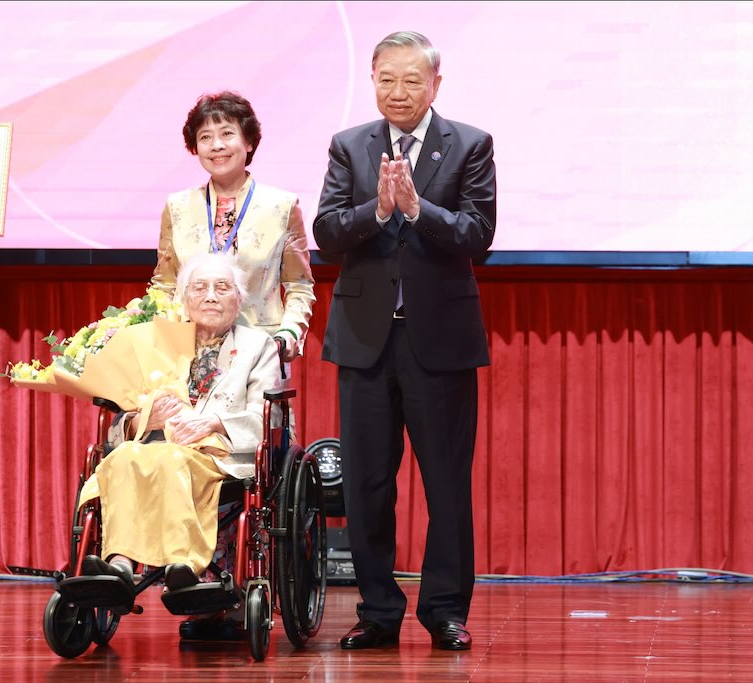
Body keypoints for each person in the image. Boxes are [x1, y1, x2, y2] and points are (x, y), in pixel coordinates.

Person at [313, 31, 496, 651]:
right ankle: (379, 612)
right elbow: (328, 234)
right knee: (366, 485)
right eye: (387, 79)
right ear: (371, 79)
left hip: (438, 343)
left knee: (446, 483)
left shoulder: (469, 144)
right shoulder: (349, 147)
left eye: (412, 81)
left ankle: (444, 609)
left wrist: (420, 210)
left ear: (435, 85)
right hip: (365, 341)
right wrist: (380, 211)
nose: (399, 93)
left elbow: (477, 236)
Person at [80, 251, 281, 641]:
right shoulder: (157, 345)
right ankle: (119, 564)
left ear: (238, 300)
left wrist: (216, 421)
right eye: (199, 288)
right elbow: (121, 421)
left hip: (215, 457)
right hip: (151, 449)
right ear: (183, 300)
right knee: (121, 459)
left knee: (171, 459)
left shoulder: (258, 346)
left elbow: (268, 416)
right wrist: (142, 421)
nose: (210, 296)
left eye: (222, 288)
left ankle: (183, 564)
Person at [151, 91, 316, 363]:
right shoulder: (177, 206)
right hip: (188, 354)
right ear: (195, 148)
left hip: (261, 352)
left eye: (227, 134)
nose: (216, 145)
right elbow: (165, 285)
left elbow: (299, 285)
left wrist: (288, 332)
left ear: (248, 141)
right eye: (205, 137)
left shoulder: (282, 206)